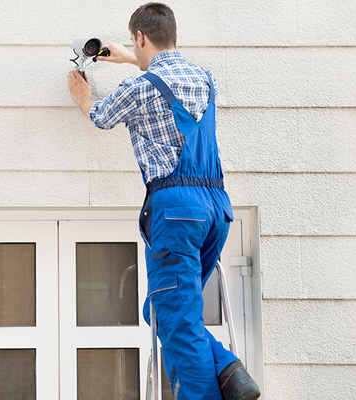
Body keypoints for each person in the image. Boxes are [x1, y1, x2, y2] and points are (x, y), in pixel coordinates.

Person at [67, 3, 261, 400]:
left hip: (176, 210)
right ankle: (228, 368)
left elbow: (102, 116)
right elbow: (167, 79)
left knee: (175, 315)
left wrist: (82, 96)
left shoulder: (138, 87)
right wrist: (133, 58)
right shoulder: (206, 79)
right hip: (215, 209)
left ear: (139, 37)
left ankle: (209, 387)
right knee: (161, 310)